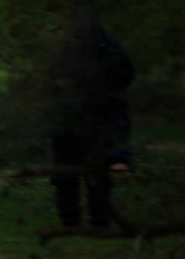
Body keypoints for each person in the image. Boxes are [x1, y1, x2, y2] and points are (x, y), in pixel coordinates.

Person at [50, 13, 135, 227]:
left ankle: (93, 217)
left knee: (94, 171)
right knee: (70, 171)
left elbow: (121, 84)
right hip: (72, 118)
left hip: (95, 117)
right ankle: (75, 219)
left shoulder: (105, 48)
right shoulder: (73, 47)